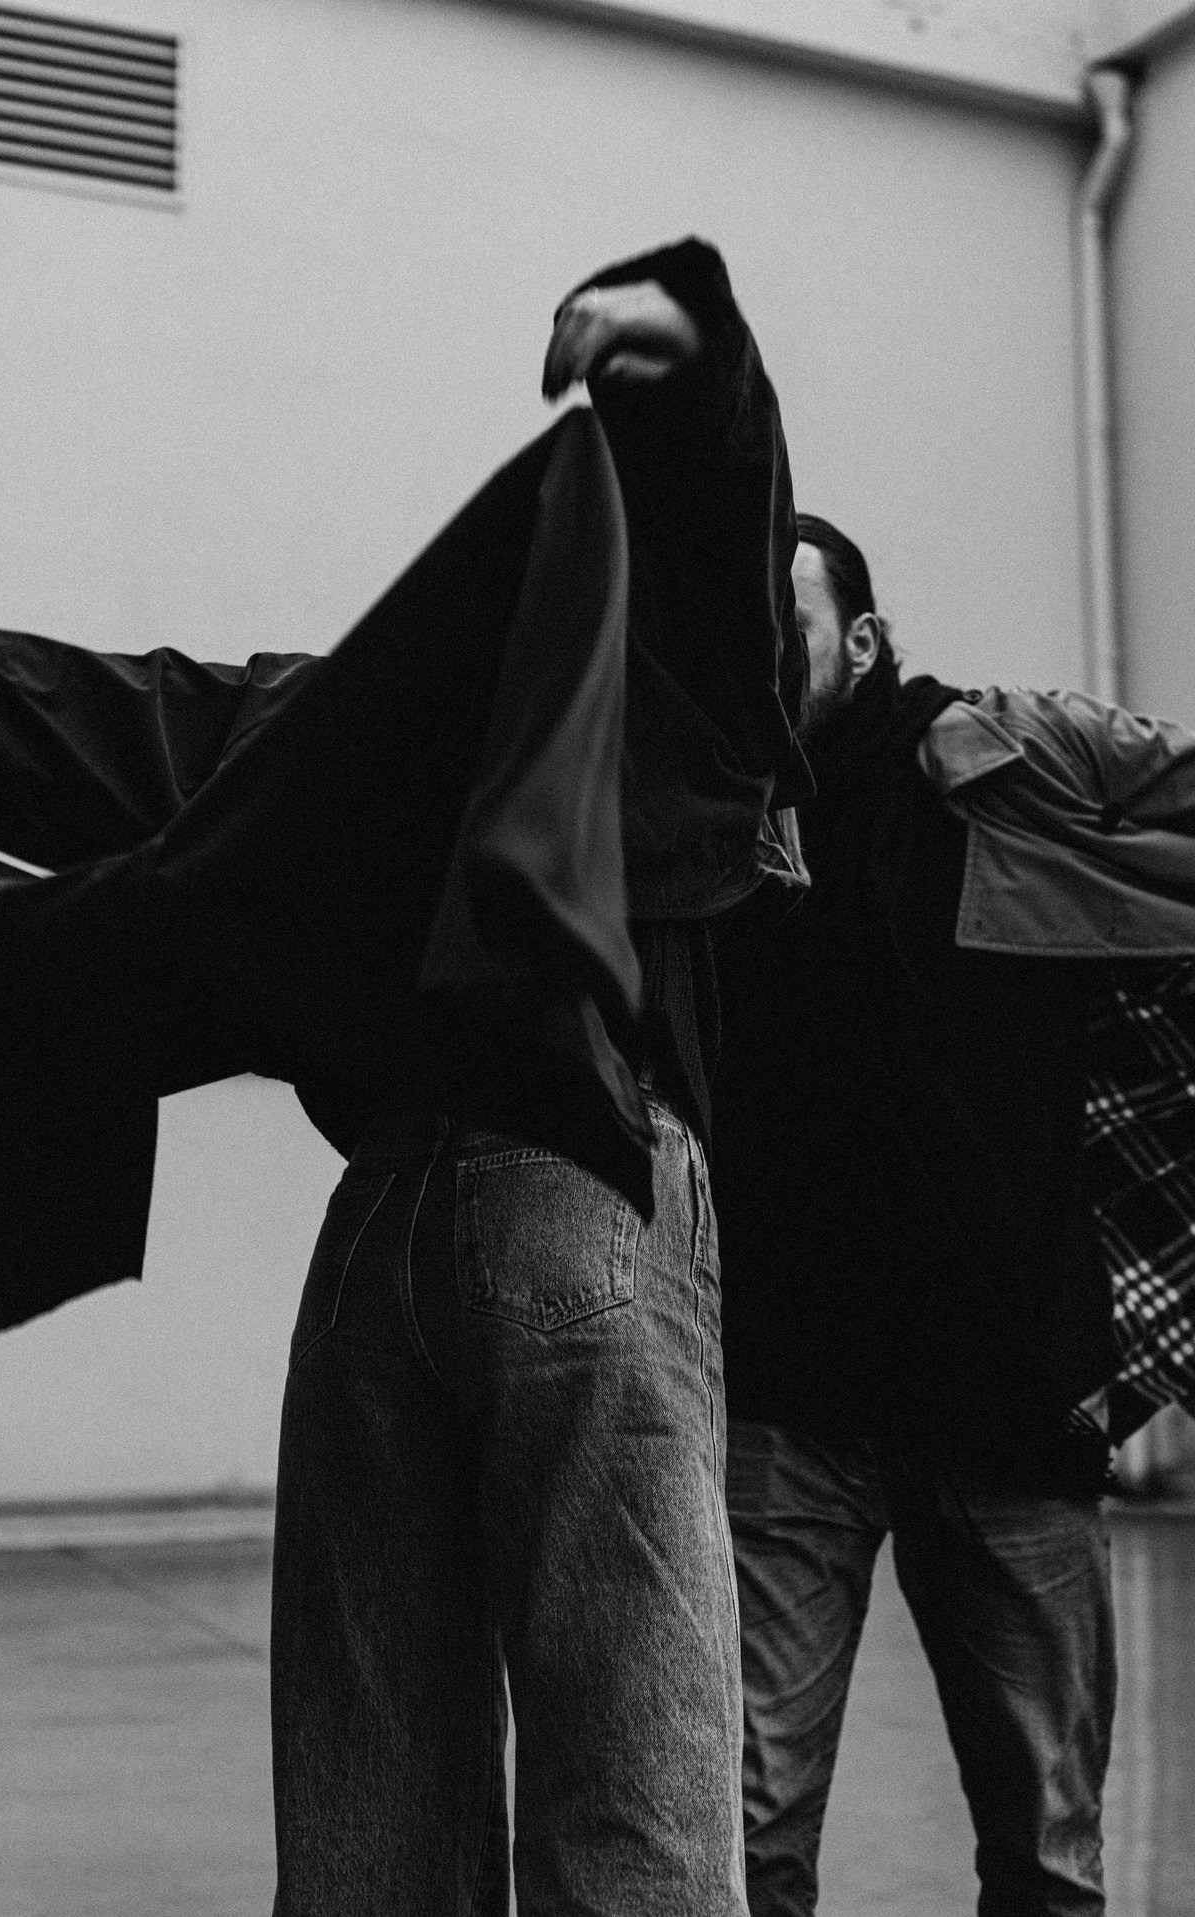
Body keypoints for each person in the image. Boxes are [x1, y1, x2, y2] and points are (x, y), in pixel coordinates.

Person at [268, 241, 807, 1916]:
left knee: (373, 1829)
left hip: (369, 1239)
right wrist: (691, 356)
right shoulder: (653, 714)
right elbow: (715, 566)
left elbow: (113, 724)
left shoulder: (365, 731)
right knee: (633, 1819)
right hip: (581, 1178)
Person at [711, 514, 1195, 1917]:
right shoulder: (707, 822)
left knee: (1045, 1853)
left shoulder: (995, 769)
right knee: (743, 1841)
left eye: (790, 622)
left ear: (861, 638)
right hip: (791, 1410)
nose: (758, 650)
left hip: (1005, 1405)